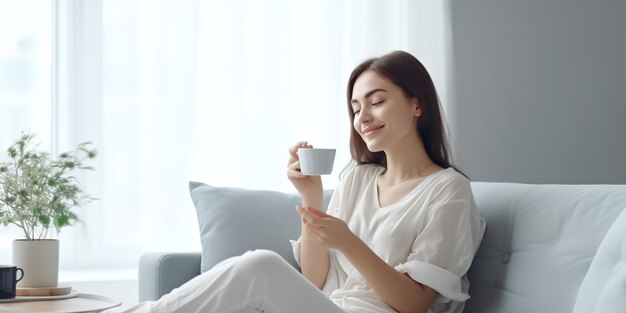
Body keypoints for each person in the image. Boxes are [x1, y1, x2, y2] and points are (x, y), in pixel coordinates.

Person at [107, 50, 485, 313]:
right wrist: (312, 196)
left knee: (261, 268)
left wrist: (350, 243)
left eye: (376, 101)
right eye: (355, 108)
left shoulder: (447, 191)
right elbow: (317, 281)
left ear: (416, 104)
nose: (363, 116)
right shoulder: (357, 178)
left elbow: (415, 303)